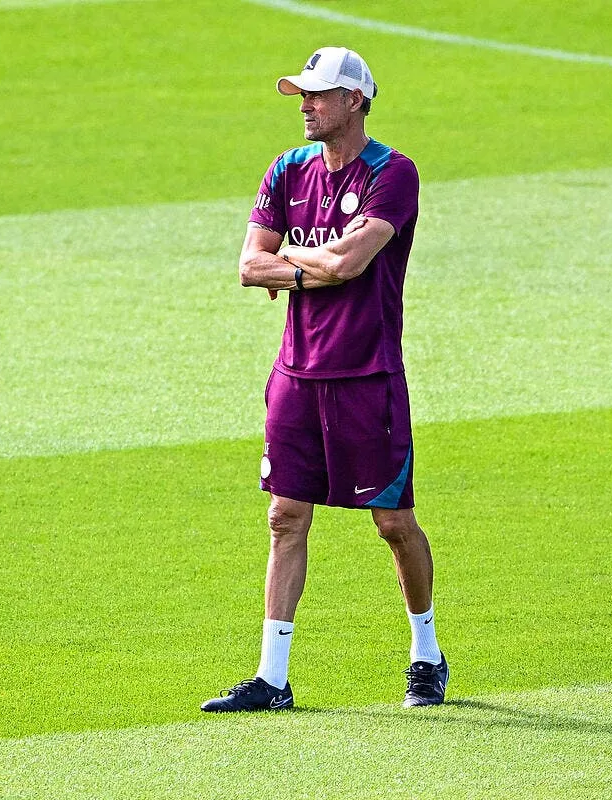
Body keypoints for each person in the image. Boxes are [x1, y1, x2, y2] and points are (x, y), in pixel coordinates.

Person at [201, 46, 447, 712]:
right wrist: (314, 266)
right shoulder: (288, 169)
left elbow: (353, 261)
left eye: (317, 94)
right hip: (296, 378)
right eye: (301, 95)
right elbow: (252, 266)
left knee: (394, 524)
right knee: (285, 516)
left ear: (356, 101)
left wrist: (298, 264)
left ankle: (426, 654)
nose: (304, 105)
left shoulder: (394, 173)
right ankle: (272, 679)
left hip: (368, 378)